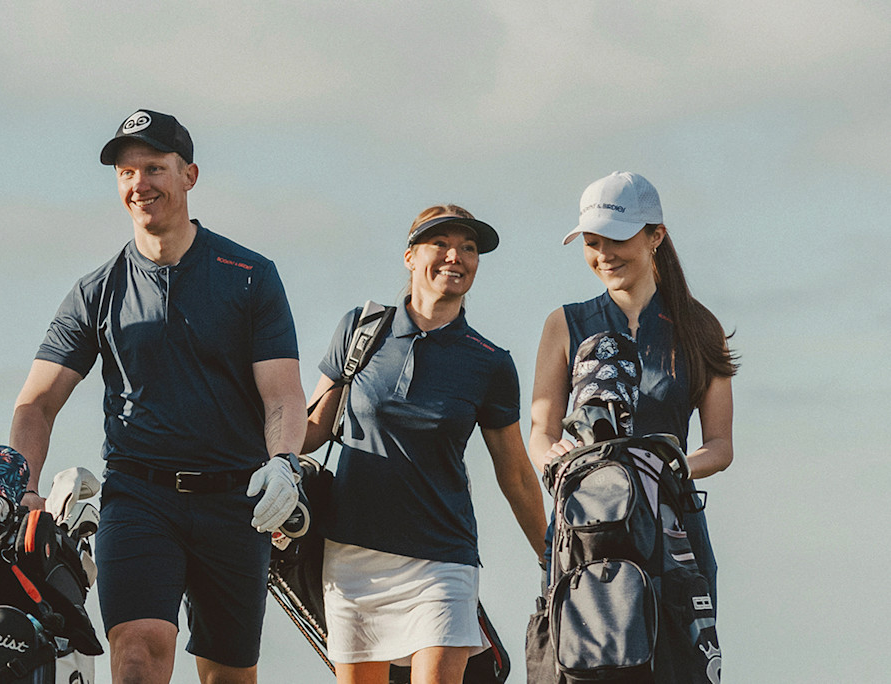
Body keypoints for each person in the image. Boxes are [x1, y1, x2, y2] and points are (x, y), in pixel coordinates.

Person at [0, 109, 306, 684]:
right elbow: (35, 404)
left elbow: (282, 394)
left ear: (189, 175)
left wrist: (284, 463)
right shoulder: (96, 291)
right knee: (137, 654)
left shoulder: (249, 276)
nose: (140, 184)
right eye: (127, 172)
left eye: (155, 168)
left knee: (228, 676)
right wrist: (26, 489)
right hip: (140, 499)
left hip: (235, 500)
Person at [302, 206, 547, 684]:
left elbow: (514, 471)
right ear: (411, 257)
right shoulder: (360, 329)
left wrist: (551, 553)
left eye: (469, 248)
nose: (455, 256)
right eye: (441, 244)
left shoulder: (490, 362)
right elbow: (312, 430)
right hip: (353, 556)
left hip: (442, 557)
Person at [528, 171, 736, 597]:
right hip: (587, 530)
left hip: (674, 530)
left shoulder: (700, 328)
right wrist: (552, 456)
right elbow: (541, 432)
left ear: (655, 235)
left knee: (683, 661)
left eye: (616, 239)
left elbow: (720, 446)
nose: (603, 255)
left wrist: (668, 465)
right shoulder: (564, 324)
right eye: (592, 242)